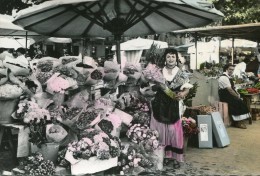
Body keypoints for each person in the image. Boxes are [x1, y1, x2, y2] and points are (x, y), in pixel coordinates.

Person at [150, 48, 193, 168]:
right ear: (165, 58)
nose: (170, 59)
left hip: (174, 103)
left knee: (174, 131)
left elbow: (187, 88)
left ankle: (175, 157)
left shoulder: (181, 73)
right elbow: (152, 87)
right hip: (160, 103)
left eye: (173, 57)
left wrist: (183, 94)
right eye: (168, 56)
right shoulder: (158, 71)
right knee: (161, 130)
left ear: (176, 59)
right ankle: (163, 156)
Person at [218, 63, 250, 129]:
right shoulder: (223, 77)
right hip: (225, 95)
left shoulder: (228, 77)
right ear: (226, 69)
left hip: (228, 94)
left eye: (233, 70)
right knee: (237, 102)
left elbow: (232, 88)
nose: (231, 71)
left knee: (240, 101)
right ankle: (238, 122)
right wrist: (236, 96)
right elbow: (230, 90)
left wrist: (237, 94)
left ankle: (240, 121)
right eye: (230, 69)